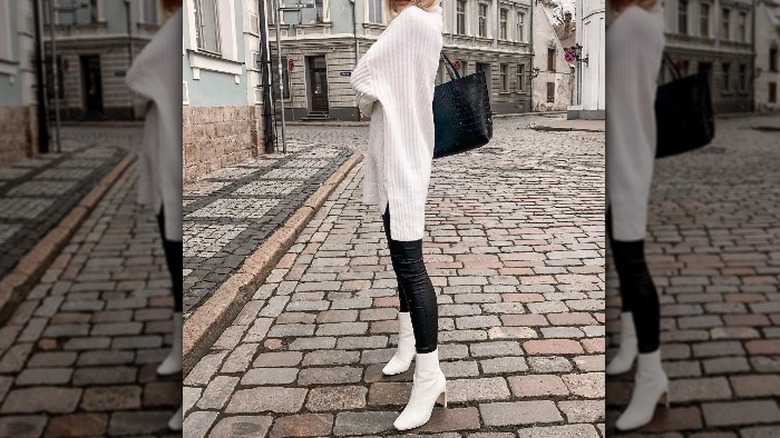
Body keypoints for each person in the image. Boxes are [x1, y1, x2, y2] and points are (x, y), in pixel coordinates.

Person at [349, 0, 444, 431]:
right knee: (402, 263)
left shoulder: (410, 21)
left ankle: (430, 377)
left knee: (410, 264)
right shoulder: (429, 22)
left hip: (403, 158)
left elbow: (362, 77)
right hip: (403, 156)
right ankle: (408, 346)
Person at [605, 0, 668, 432]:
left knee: (633, 264)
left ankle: (652, 375)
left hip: (624, 162)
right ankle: (631, 346)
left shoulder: (631, 25)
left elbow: (620, 105)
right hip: (625, 159)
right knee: (627, 262)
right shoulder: (644, 19)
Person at [124, 0, 183, 431]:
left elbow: (136, 76)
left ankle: (188, 393)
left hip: (175, 170)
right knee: (174, 265)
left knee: (180, 266)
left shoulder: (176, 28)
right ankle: (180, 347)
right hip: (170, 169)